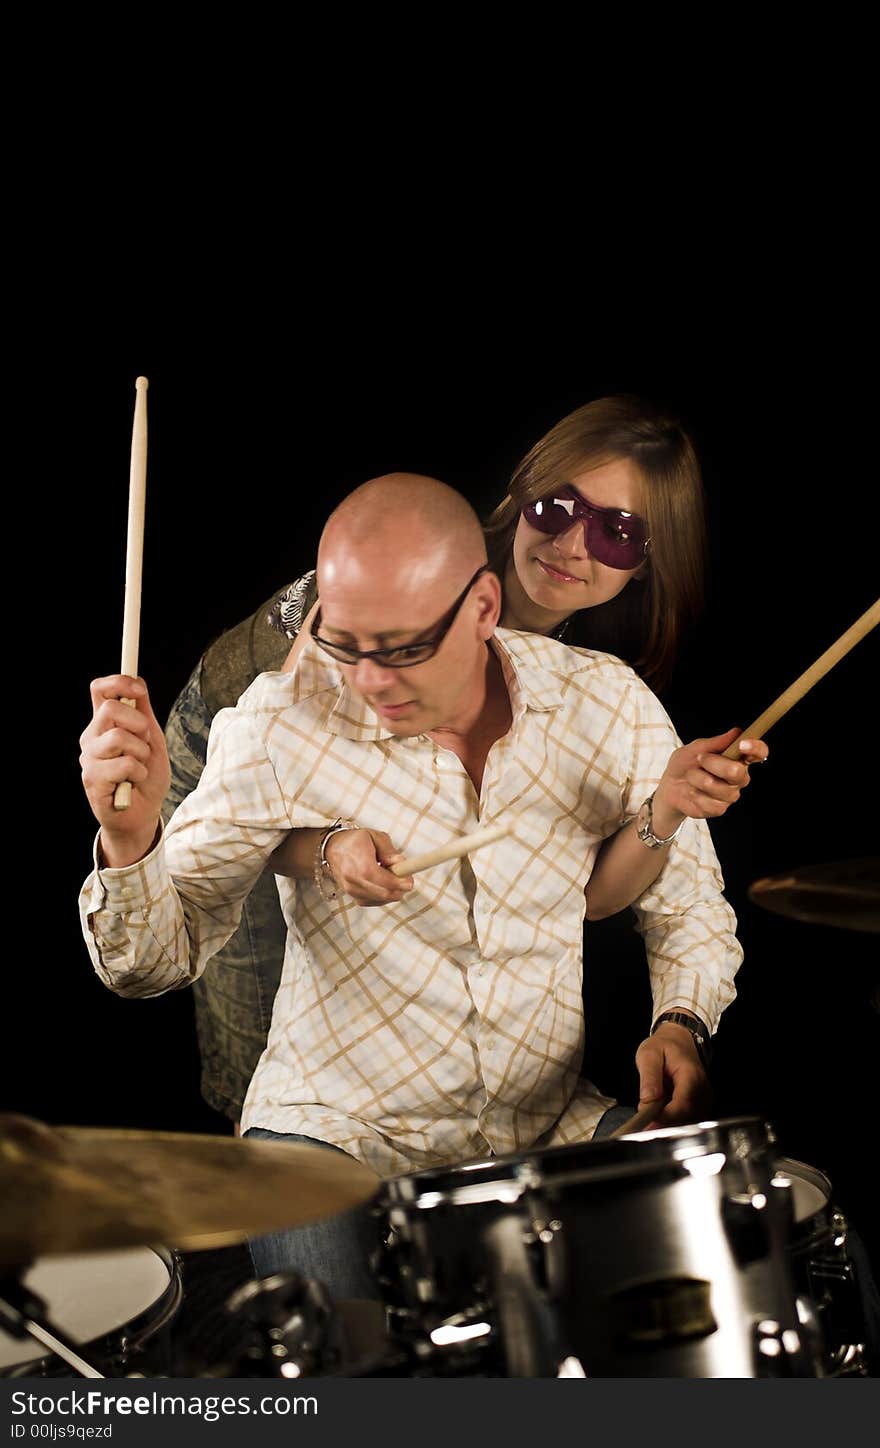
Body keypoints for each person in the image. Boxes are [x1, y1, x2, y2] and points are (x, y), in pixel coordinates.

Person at [79, 474, 753, 1303]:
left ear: (480, 606)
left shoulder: (605, 704)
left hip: (544, 1122)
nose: (368, 681)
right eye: (343, 642)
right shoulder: (275, 723)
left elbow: (688, 907)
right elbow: (148, 964)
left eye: (400, 649)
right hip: (328, 1132)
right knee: (343, 1374)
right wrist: (129, 836)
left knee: (751, 1249)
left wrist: (679, 1025)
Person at [164, 396, 762, 1123]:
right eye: (557, 507)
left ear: (645, 562)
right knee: (260, 1047)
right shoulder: (401, 591)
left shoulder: (593, 679)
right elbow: (296, 766)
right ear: (520, 497)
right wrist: (326, 848)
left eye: (618, 532)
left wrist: (665, 812)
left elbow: (590, 890)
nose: (574, 544)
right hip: (221, 756)